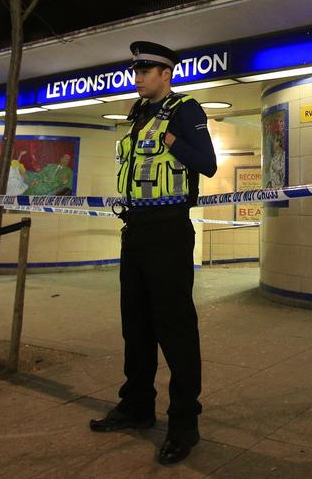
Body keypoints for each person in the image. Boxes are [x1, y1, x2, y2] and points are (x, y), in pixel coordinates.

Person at [90, 41, 217, 466]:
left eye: (146, 70)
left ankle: (184, 423)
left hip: (168, 230)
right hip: (136, 230)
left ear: (166, 74)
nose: (138, 76)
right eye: (136, 70)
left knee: (175, 327)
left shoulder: (186, 109)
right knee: (137, 324)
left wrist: (173, 140)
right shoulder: (137, 113)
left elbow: (207, 163)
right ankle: (137, 406)